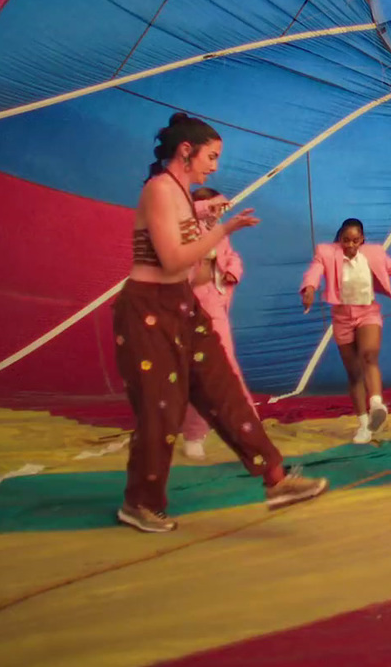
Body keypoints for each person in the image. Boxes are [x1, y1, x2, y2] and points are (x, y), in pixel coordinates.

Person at [114, 112, 327, 532]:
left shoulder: (180, 193)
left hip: (181, 303)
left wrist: (208, 222)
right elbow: (173, 259)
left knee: (223, 387)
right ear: (186, 151)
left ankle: (276, 480)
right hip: (147, 310)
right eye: (211, 156)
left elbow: (188, 271)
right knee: (163, 409)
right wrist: (222, 229)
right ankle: (139, 503)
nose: (215, 165)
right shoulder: (160, 190)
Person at [301, 218, 391, 443]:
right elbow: (315, 270)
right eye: (345, 240)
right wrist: (309, 288)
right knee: (353, 373)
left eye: (355, 240)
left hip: (367, 313)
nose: (350, 245)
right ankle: (364, 425)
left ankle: (377, 403)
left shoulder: (374, 254)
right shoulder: (326, 252)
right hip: (341, 318)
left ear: (362, 239)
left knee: (369, 355)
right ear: (339, 239)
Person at [179, 186, 255, 460]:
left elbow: (231, 257)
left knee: (223, 368)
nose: (218, 212)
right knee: (196, 374)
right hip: (188, 307)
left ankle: (248, 431)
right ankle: (195, 433)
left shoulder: (219, 232)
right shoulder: (184, 227)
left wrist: (232, 272)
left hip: (215, 304)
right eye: (212, 208)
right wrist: (210, 206)